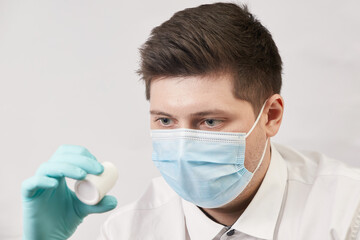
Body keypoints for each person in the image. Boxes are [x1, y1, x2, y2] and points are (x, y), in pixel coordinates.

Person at [21, 2, 360, 240]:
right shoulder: (129, 231)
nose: (182, 150)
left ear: (270, 116)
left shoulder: (346, 215)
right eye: (166, 121)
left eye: (209, 122)